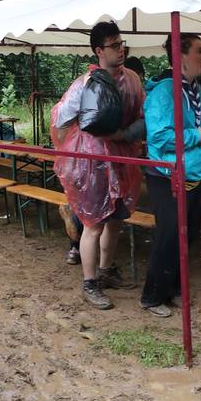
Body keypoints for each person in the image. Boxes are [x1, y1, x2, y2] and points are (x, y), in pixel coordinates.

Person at [51, 21, 146, 309]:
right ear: (98, 50)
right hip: (92, 163)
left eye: (121, 44)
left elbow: (143, 115)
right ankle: (90, 283)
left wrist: (124, 134)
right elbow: (60, 119)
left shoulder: (132, 79)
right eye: (114, 45)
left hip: (122, 158)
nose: (120, 50)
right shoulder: (84, 85)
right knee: (93, 223)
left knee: (117, 219)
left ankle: (107, 271)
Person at [140, 33, 201, 316]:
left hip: (193, 172)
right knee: (169, 234)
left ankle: (172, 287)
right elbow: (159, 137)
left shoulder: (193, 90)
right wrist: (196, 136)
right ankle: (151, 296)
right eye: (199, 50)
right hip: (166, 174)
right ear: (181, 56)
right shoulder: (163, 92)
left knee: (188, 234)